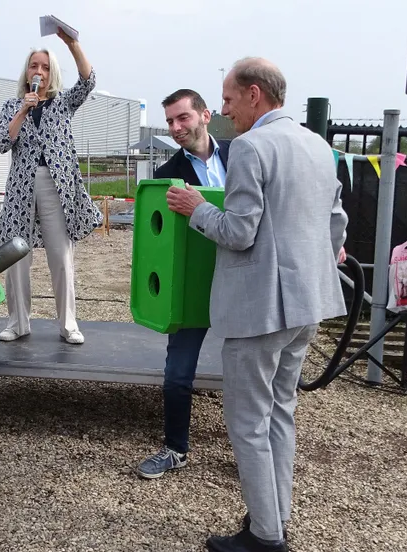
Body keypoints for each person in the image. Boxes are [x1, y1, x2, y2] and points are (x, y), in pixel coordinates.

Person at [166, 58, 349, 552]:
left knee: (248, 423)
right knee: (280, 413)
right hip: (308, 303)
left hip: (259, 308)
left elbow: (239, 232)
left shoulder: (250, 147)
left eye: (226, 100)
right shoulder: (319, 146)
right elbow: (337, 225)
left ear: (253, 94)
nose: (223, 111)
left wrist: (197, 209)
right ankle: (273, 518)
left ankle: (266, 536)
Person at [135, 89, 231, 479]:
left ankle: (254, 453)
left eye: (183, 118)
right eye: (171, 121)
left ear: (205, 115)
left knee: (249, 375)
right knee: (177, 373)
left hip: (240, 280)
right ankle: (175, 448)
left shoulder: (243, 156)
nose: (176, 128)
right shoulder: (166, 177)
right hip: (192, 284)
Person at [0, 27, 102, 345]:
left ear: (51, 72)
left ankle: (69, 324)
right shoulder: (12, 106)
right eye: (33, 65)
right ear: (26, 72)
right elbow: (2, 143)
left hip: (57, 187)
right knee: (16, 257)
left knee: (60, 256)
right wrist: (24, 110)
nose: (38, 71)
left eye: (44, 66)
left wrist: (72, 44)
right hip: (20, 190)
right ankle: (17, 322)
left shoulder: (63, 103)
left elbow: (88, 81)